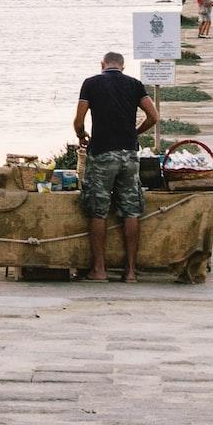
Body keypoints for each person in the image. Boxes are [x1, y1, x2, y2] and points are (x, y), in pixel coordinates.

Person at [73, 52, 160, 283]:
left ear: (102, 64)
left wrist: (81, 136)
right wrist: (135, 133)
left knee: (98, 211)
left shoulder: (91, 83)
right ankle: (130, 272)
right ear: (123, 66)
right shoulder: (135, 84)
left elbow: (79, 121)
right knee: (131, 210)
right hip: (129, 155)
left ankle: (99, 270)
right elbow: (153, 116)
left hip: (102, 153)